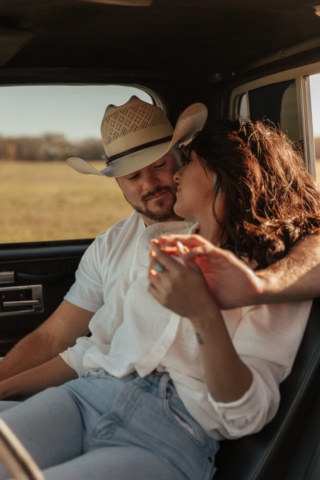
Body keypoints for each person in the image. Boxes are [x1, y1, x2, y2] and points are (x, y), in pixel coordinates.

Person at [0, 119, 317, 480]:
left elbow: (243, 416)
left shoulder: (282, 272)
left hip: (170, 431)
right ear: (118, 184)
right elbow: (86, 346)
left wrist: (207, 311)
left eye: (171, 164)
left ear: (219, 173)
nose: (157, 184)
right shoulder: (153, 242)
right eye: (132, 177)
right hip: (88, 394)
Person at [0, 96, 207, 383]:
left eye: (159, 165)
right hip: (96, 382)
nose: (149, 184)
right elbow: (52, 338)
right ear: (117, 182)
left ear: (181, 157)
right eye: (133, 175)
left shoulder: (214, 230)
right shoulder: (108, 245)